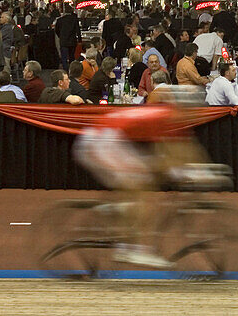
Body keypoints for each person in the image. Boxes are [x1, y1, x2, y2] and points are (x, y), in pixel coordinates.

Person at [73, 102, 214, 267]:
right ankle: (134, 249)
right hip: (102, 141)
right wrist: (198, 174)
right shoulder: (168, 119)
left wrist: (198, 170)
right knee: (143, 192)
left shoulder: (167, 113)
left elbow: (184, 152)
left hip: (107, 137)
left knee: (146, 176)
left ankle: (119, 207)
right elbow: (176, 153)